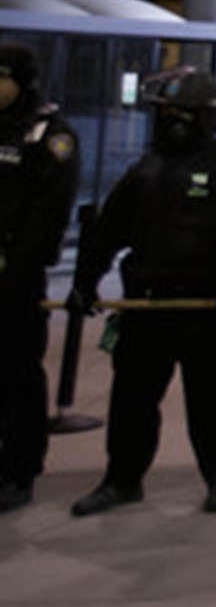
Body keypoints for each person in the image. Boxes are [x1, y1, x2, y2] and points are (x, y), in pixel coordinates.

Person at [68, 67, 216, 517]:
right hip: (147, 302)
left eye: (172, 113)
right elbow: (108, 231)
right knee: (132, 398)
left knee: (211, 398)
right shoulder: (147, 167)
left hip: (203, 306)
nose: (163, 122)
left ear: (196, 117)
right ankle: (122, 479)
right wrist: (86, 280)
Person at [0, 43, 80, 513]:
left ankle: (20, 468)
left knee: (17, 373)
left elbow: (49, 211)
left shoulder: (48, 134)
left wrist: (19, 263)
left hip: (17, 278)